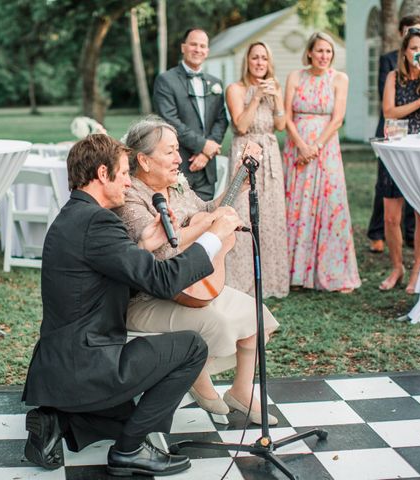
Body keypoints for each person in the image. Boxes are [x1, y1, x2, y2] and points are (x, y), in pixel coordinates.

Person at [22, 134, 242, 476]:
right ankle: (130, 451)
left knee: (120, 416)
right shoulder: (99, 222)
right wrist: (213, 238)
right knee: (192, 346)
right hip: (86, 362)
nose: (128, 181)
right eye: (123, 173)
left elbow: (99, 279)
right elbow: (163, 280)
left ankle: (57, 420)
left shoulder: (74, 216)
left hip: (62, 362)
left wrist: (141, 244)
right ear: (102, 174)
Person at [115, 116, 280, 426]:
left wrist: (237, 186)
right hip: (145, 299)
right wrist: (205, 225)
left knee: (256, 314)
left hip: (190, 286)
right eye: (170, 152)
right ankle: (194, 371)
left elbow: (206, 212)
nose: (180, 158)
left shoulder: (176, 183)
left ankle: (241, 391)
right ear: (143, 161)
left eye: (178, 150)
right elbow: (161, 252)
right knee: (215, 321)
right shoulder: (130, 197)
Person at [283, 32, 361, 293]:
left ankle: (333, 273)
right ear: (309, 53)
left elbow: (338, 119)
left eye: (328, 52)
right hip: (297, 147)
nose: (324, 56)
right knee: (297, 206)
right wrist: (301, 146)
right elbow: (287, 116)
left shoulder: (339, 78)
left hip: (326, 150)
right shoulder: (295, 76)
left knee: (331, 207)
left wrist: (315, 147)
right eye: (319, 51)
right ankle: (295, 273)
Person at [379, 28, 420, 293]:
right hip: (396, 149)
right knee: (391, 218)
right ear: (405, 52)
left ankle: (418, 269)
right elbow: (389, 111)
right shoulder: (394, 77)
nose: (418, 53)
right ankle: (397, 267)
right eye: (414, 48)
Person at [225, 41, 289, 298]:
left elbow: (281, 124)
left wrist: (275, 98)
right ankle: (242, 283)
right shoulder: (235, 89)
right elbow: (240, 126)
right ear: (247, 61)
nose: (260, 62)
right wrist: (258, 98)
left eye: (264, 58)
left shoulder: (275, 87)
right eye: (255, 58)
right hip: (245, 154)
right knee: (241, 214)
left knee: (271, 217)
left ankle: (271, 282)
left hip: (270, 154)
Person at [367, 16, 420, 255]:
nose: (418, 49)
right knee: (386, 190)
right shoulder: (389, 62)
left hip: (418, 133)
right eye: (411, 33)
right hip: (392, 128)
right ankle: (377, 233)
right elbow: (388, 103)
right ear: (402, 34)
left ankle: (411, 235)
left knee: (416, 196)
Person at [153, 28, 229, 201]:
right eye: (193, 44)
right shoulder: (166, 80)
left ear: (207, 51)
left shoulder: (215, 83)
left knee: (206, 218)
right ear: (183, 47)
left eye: (202, 46)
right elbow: (169, 121)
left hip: (206, 169)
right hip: (177, 165)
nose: (198, 49)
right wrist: (203, 145)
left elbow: (221, 120)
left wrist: (206, 153)